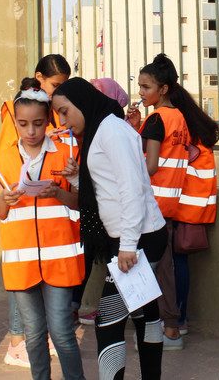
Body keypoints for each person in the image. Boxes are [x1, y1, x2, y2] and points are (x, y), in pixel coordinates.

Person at [53, 77, 167, 380]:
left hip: (136, 238)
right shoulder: (99, 130)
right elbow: (105, 190)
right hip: (131, 236)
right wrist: (79, 179)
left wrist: (128, 245)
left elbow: (131, 189)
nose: (63, 121)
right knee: (144, 314)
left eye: (65, 112)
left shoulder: (112, 131)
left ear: (81, 103)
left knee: (109, 321)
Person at [0, 80, 85, 380]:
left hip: (59, 258)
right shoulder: (3, 159)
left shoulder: (65, 153)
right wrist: (4, 200)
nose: (31, 131)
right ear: (14, 123)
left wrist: (58, 193)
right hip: (21, 260)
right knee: (33, 333)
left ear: (49, 121)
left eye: (38, 123)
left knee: (61, 331)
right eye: (23, 124)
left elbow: (80, 203)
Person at [126, 54, 191, 349]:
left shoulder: (157, 119)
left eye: (146, 86)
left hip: (153, 204)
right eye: (139, 86)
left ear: (162, 89)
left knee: (157, 267)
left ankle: (170, 328)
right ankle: (169, 323)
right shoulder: (177, 117)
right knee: (162, 266)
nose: (141, 92)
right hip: (172, 202)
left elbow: (150, 166)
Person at [74, 77, 129, 326]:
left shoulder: (113, 130)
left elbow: (126, 188)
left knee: (107, 264)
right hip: (101, 214)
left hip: (112, 218)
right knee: (103, 263)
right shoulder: (99, 129)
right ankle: (94, 308)